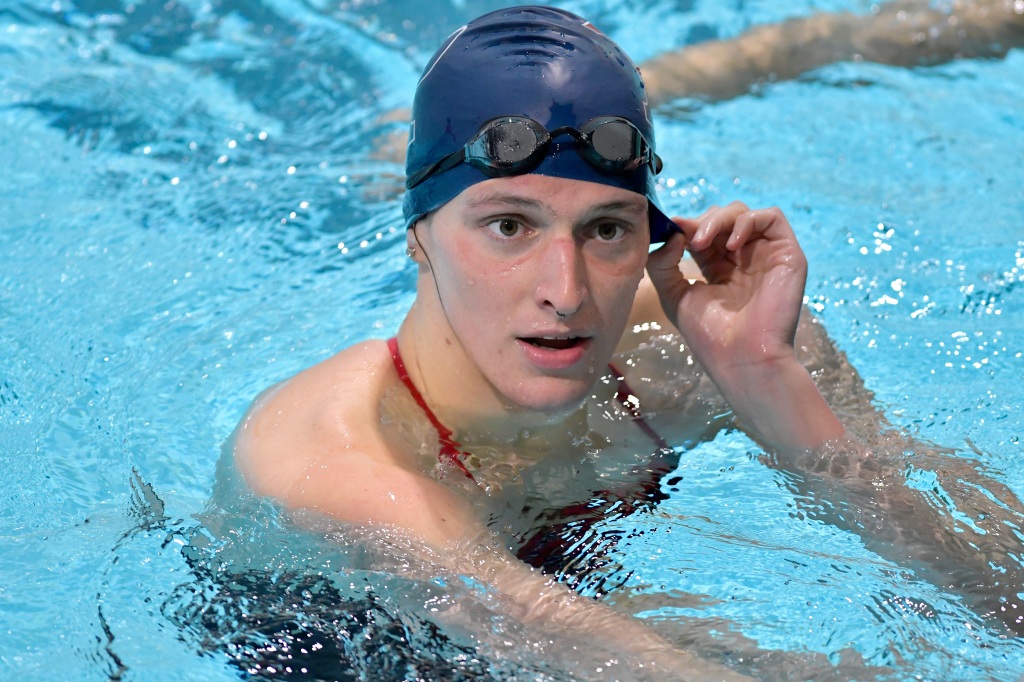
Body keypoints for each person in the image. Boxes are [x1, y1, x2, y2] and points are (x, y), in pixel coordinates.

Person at [234, 5, 1024, 678]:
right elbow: (612, 660)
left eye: (606, 230)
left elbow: (1004, 594)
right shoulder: (348, 464)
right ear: (417, 237)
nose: (566, 291)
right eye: (509, 226)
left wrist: (767, 378)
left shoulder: (674, 350)